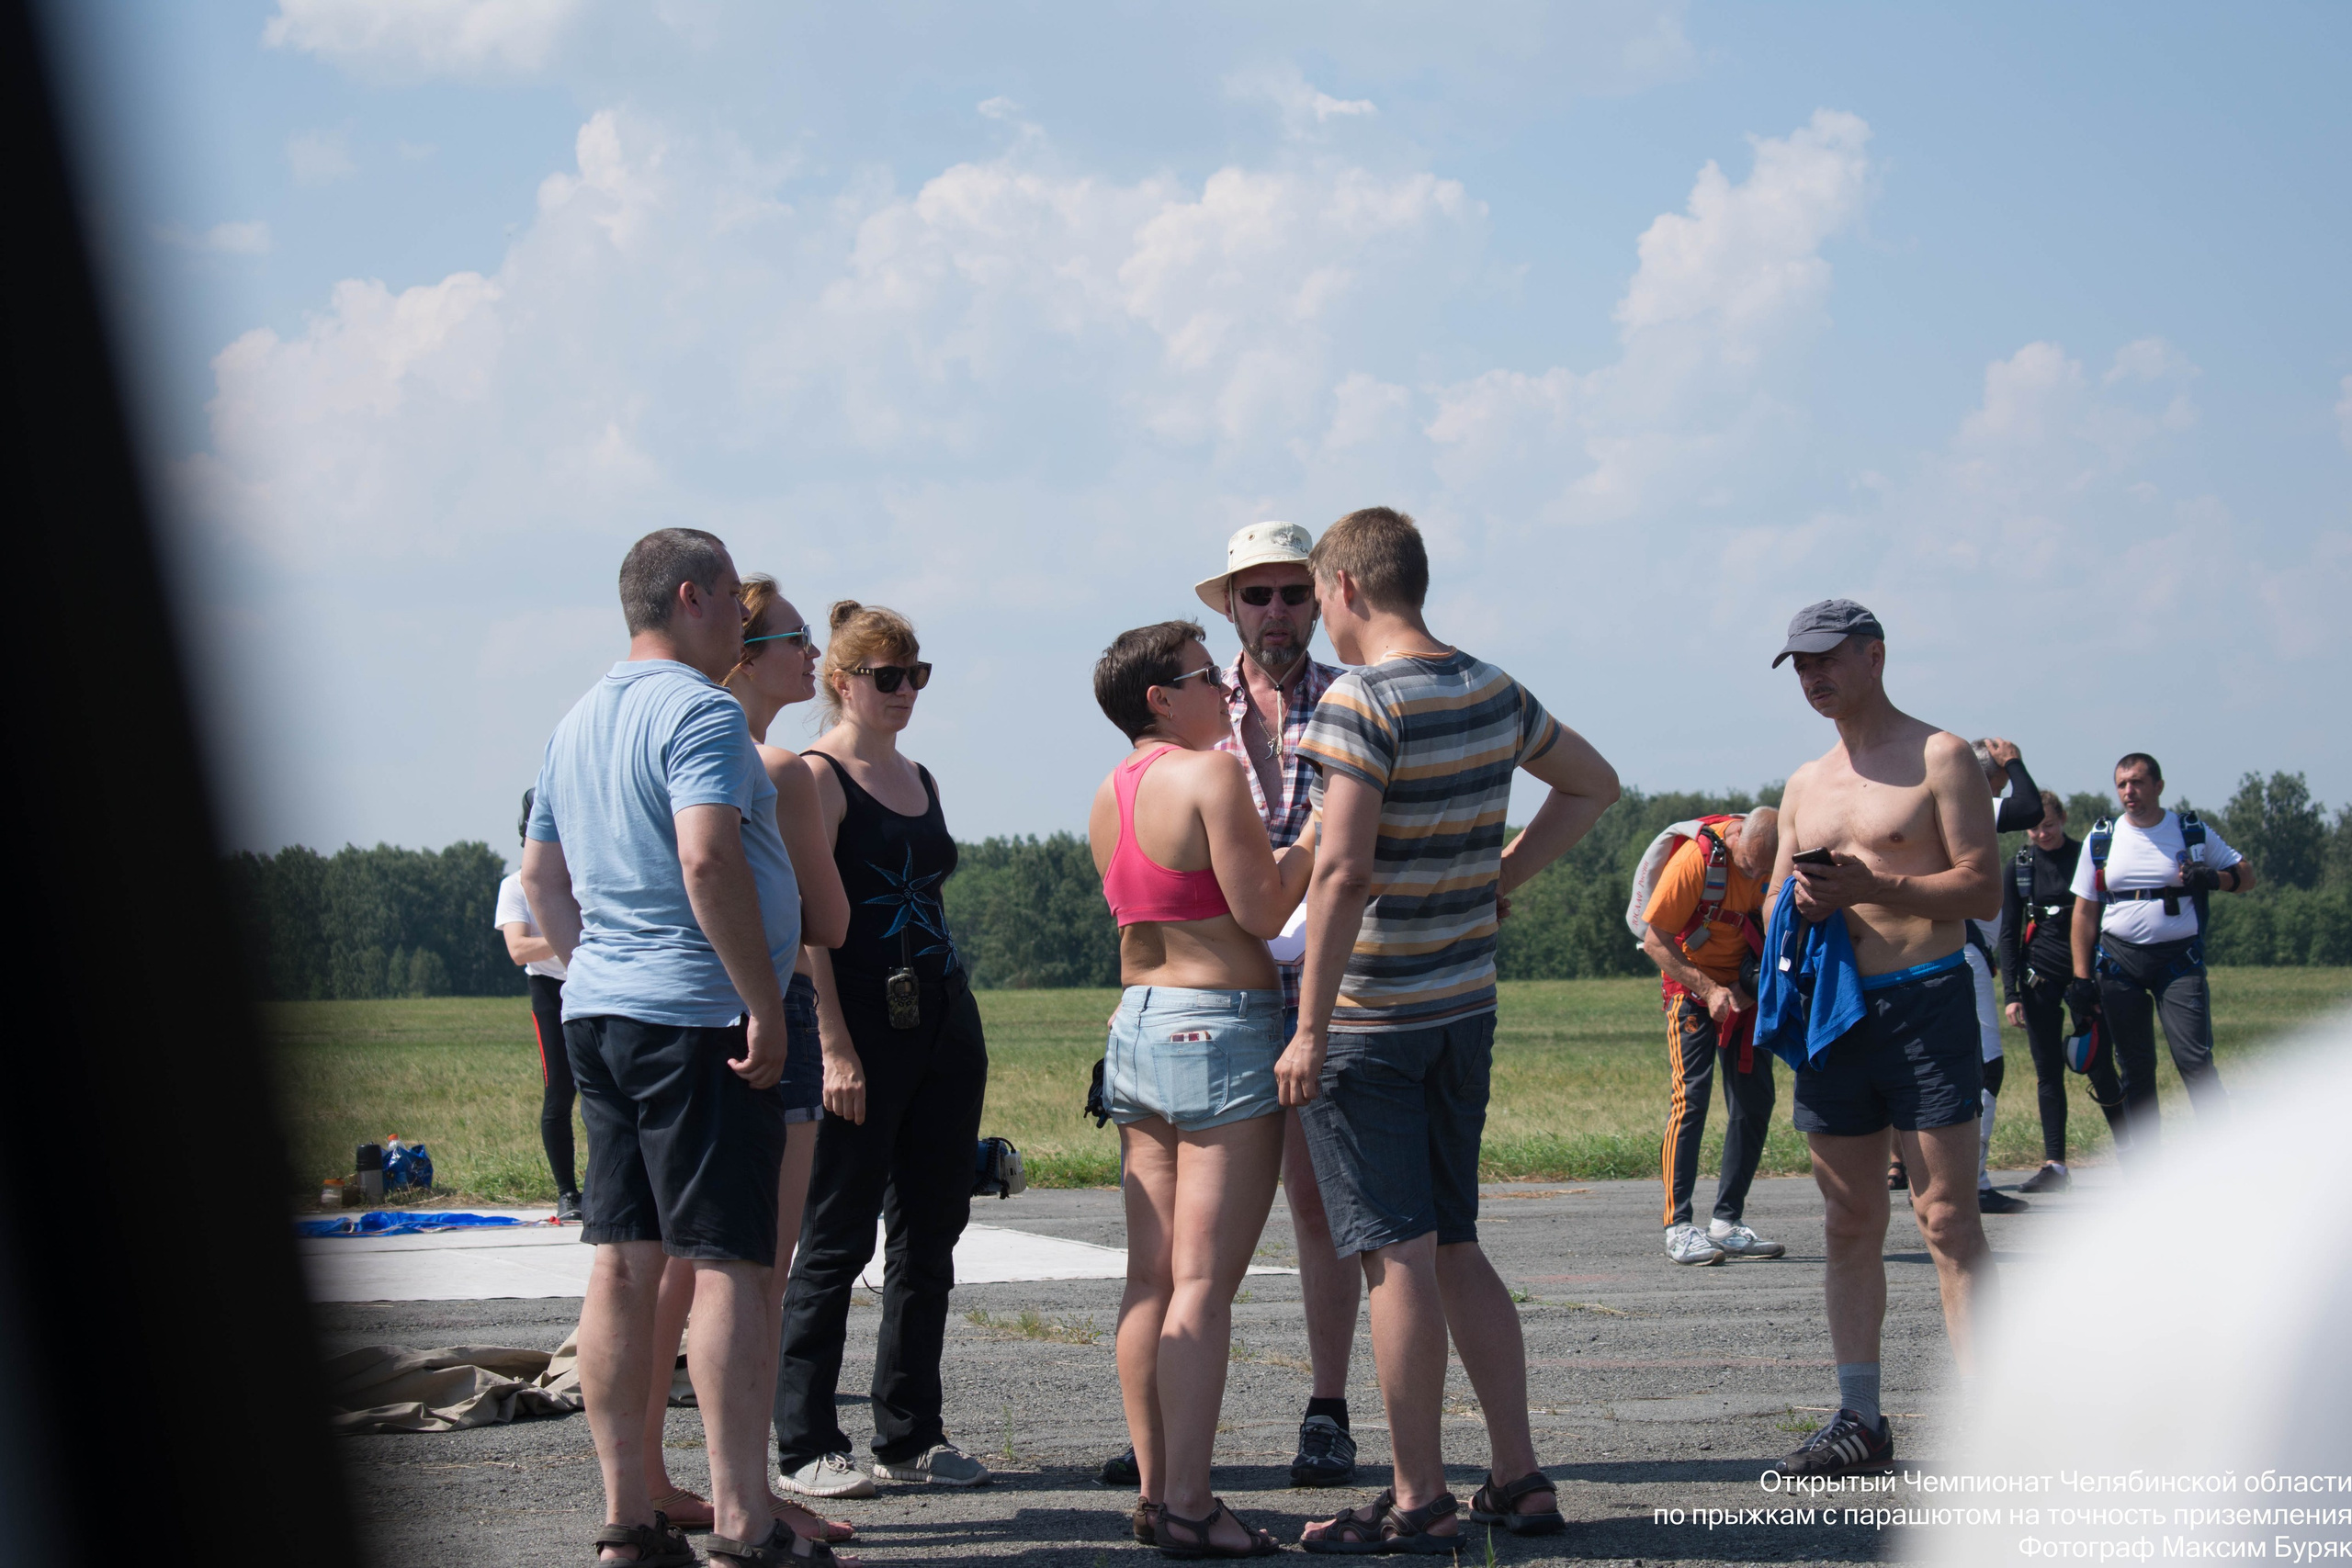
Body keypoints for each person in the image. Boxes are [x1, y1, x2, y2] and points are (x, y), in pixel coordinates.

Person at [1282, 507, 1622, 1551]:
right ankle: (1518, 1472)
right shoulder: (1490, 686)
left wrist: (1306, 1027)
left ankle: (1418, 1493)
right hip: (1462, 1007)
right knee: (1457, 1238)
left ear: (1343, 587)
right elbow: (1592, 785)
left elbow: (1337, 871)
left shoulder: (1357, 701)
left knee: (1396, 1258)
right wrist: (1497, 881)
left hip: (1371, 1017)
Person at [522, 527, 813, 1567]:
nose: (744, 613)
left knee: (622, 1264)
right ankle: (743, 1521)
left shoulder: (575, 720)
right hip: (697, 1020)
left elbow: (544, 880)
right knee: (733, 1261)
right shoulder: (699, 712)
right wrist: (759, 1000)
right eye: (735, 594)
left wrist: (596, 966)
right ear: (691, 596)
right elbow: (706, 855)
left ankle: (629, 1518)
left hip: (599, 1013)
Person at [1101, 520, 1360, 1493]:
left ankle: (1322, 1406)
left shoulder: (1347, 699)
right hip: (1229, 998)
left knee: (1311, 1209)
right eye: (1257, 596)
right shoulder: (1200, 737)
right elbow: (1255, 894)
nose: (1277, 613)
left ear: (1321, 600)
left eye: (1294, 593)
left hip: (1312, 980)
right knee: (1193, 1273)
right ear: (1230, 607)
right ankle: (1173, 1468)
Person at [635, 578, 857, 1551]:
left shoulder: (659, 739)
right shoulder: (774, 767)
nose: (813, 658)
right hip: (761, 1010)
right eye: (796, 640)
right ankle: (749, 1495)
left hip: (650, 1017)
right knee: (754, 1272)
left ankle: (645, 1481)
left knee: (657, 1272)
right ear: (745, 651)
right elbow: (830, 921)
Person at [1088, 619, 1317, 1556]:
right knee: (1200, 1288)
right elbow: (1264, 911)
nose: (1224, 687)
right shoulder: (1213, 774)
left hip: (1136, 1024)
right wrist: (1317, 834)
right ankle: (1189, 1501)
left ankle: (1156, 1488)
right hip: (1218, 1026)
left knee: (1149, 1280)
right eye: (1202, 674)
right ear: (1158, 697)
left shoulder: (1109, 791)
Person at [1760, 598, 2001, 1482]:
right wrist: (1802, 902)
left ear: (1874, 656)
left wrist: (1873, 885)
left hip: (1926, 1001)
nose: (1814, 677)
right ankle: (1859, 1414)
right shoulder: (1803, 783)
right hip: (1837, 1012)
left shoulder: (1942, 755)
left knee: (1946, 1217)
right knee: (1849, 1216)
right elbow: (1777, 897)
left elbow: (1981, 889)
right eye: (1800, 665)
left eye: (1827, 659)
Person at [772, 602, 992, 1500]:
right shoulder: (818, 777)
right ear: (840, 679)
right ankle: (803, 1440)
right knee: (836, 1233)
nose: (904, 692)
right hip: (859, 1020)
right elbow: (804, 927)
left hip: (940, 1015)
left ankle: (910, 1430)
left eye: (916, 676)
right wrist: (831, 1044)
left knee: (931, 1230)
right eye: (886, 677)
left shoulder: (921, 776)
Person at [2066, 752, 2256, 1168]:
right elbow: (2084, 911)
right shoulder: (2102, 838)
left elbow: (2247, 875)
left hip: (2178, 962)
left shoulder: (2190, 831)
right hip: (2119, 964)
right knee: (2136, 1067)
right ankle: (2149, 1168)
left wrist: (2215, 879)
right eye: (2121, 784)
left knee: (2195, 1061)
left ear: (2158, 786)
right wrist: (2081, 980)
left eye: (2136, 782)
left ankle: (2227, 1160)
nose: (2128, 792)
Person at [1640, 807, 1786, 1266]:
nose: (1760, 876)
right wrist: (1708, 989)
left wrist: (1744, 988)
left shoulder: (1775, 861)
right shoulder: (1697, 862)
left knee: (1755, 1100)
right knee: (1692, 1098)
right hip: (1691, 985)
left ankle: (1726, 1222)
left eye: (1769, 869)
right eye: (1752, 867)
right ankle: (1679, 1227)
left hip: (1746, 991)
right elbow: (1654, 939)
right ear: (1737, 836)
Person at [2000, 791, 2123, 1192]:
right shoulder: (2019, 867)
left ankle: (2133, 1157)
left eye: (2048, 825)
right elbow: (2009, 933)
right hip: (2039, 983)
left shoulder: (2085, 858)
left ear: (2063, 819)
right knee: (2047, 1074)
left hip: (2087, 982)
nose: (2041, 833)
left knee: (2101, 1067)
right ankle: (2055, 1166)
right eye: (2034, 827)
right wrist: (2011, 993)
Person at [1960, 738, 2047, 1215]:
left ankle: (1960, 1178)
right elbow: (2031, 808)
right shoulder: (1969, 801)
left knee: (1964, 1066)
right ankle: (1971, 1181)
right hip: (1962, 952)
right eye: (1999, 781)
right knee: (1986, 1067)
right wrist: (2015, 761)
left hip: (1968, 950)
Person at [496, 787, 581, 1223]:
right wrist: (572, 936)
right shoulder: (514, 886)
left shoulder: (584, 876)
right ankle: (567, 1192)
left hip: (591, 984)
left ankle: (608, 1187)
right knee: (559, 1093)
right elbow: (518, 949)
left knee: (611, 1092)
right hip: (550, 992)